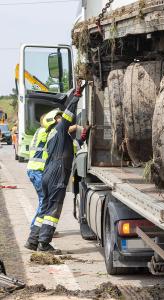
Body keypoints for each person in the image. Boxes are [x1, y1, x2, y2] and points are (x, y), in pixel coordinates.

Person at [25, 80, 86, 253]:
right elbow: (68, 115)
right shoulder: (59, 130)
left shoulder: (57, 136)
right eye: (59, 118)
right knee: (53, 209)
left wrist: (82, 138)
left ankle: (32, 240)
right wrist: (76, 97)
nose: (63, 119)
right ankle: (44, 243)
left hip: (48, 173)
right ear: (55, 121)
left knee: (44, 208)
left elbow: (71, 149)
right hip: (57, 173)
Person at [27, 114, 49, 227]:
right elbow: (62, 129)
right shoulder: (44, 132)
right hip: (37, 171)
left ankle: (40, 226)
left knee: (45, 199)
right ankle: (35, 227)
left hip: (35, 170)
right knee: (44, 200)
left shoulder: (39, 131)